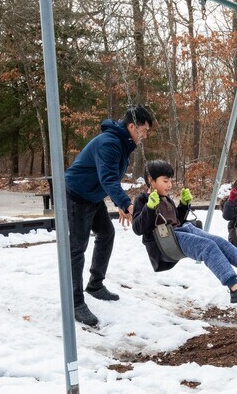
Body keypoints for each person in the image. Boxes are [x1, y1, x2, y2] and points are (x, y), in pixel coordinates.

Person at [132, 160, 237, 303]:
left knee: (218, 241)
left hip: (181, 230)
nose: (169, 185)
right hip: (166, 240)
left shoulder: (165, 198)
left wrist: (183, 205)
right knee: (208, 247)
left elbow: (177, 220)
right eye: (165, 181)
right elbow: (138, 228)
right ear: (151, 180)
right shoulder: (143, 199)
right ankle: (235, 288)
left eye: (170, 181)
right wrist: (149, 207)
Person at [65, 105, 153, 326]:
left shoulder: (122, 143)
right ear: (132, 126)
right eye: (144, 130)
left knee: (106, 233)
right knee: (77, 248)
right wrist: (125, 203)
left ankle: (95, 284)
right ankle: (75, 302)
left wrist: (118, 202)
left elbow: (108, 177)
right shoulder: (110, 143)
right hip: (77, 194)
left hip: (93, 196)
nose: (145, 135)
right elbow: (108, 179)